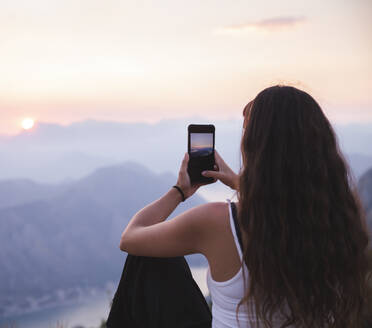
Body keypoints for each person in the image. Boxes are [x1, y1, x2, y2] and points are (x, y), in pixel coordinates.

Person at [106, 85, 371, 327]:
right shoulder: (343, 224)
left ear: (255, 147)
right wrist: (239, 183)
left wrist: (180, 191)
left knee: (149, 258)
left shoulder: (217, 221)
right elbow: (287, 208)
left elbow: (130, 237)